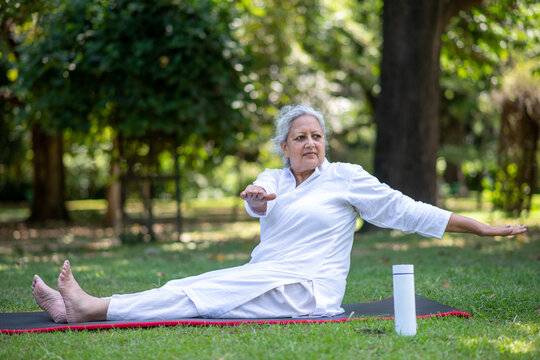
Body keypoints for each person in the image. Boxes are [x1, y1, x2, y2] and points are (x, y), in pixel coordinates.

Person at [32, 104, 527, 324]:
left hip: (308, 292)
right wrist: (256, 198)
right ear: (285, 147)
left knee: (201, 292)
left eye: (316, 136)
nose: (310, 143)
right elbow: (257, 197)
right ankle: (78, 309)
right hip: (267, 279)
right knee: (194, 293)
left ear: (324, 144)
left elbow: (408, 211)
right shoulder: (274, 178)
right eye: (300, 137)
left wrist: (480, 226)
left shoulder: (346, 178)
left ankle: (90, 308)